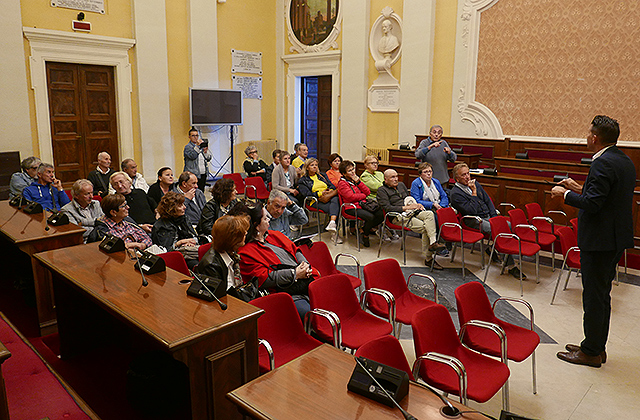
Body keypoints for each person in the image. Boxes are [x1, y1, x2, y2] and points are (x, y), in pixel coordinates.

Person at [552, 116, 635, 368]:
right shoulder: (623, 160)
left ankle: (590, 351)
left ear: (595, 138)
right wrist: (578, 187)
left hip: (599, 241)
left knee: (594, 297)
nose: (587, 137)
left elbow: (593, 204)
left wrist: (564, 194)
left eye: (589, 133)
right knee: (601, 295)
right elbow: (606, 196)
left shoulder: (602, 163)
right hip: (613, 239)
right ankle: (596, 346)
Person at [238, 202, 319, 319]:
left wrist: (305, 265)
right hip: (285, 292)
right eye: (265, 218)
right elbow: (264, 278)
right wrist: (295, 274)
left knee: (333, 300)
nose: (269, 220)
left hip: (305, 279)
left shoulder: (273, 235)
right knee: (311, 315)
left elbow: (296, 250)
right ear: (256, 225)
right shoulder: (246, 252)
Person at [449, 163, 522, 279]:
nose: (468, 177)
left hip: (487, 215)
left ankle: (494, 249)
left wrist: (494, 217)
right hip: (473, 220)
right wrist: (473, 192)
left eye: (468, 173)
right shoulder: (455, 194)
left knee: (508, 225)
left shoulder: (475, 183)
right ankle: (511, 266)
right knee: (498, 231)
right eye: (463, 175)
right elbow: (471, 211)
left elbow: (487, 201)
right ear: (457, 179)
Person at [377, 169, 444, 268]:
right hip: (397, 216)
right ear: (385, 179)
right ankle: (428, 259)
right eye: (392, 177)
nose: (396, 179)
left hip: (411, 211)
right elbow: (387, 208)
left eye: (396, 176)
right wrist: (407, 208)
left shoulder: (401, 185)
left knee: (429, 214)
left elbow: (408, 199)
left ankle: (433, 242)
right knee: (426, 228)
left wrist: (416, 205)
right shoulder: (382, 190)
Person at [336, 160, 384, 248]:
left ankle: (363, 230)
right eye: (350, 171)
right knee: (370, 217)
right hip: (350, 208)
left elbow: (368, 191)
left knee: (381, 213)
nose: (353, 172)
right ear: (344, 173)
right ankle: (365, 235)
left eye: (353, 169)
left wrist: (358, 182)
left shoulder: (355, 180)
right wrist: (363, 195)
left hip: (362, 204)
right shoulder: (342, 183)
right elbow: (351, 197)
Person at [197, 215, 250, 292]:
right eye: (241, 233)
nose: (246, 233)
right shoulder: (211, 266)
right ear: (232, 239)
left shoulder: (232, 253)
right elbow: (219, 296)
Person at [152, 192, 200, 269]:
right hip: (175, 258)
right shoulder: (162, 226)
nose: (184, 207)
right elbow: (165, 251)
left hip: (189, 252)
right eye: (180, 205)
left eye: (184, 204)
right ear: (171, 208)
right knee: (198, 265)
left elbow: (195, 236)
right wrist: (180, 243)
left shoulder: (184, 219)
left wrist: (191, 242)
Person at [298, 158, 340, 239]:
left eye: (316, 165)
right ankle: (334, 234)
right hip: (315, 200)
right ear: (307, 167)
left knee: (336, 200)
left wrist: (329, 191)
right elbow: (306, 194)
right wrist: (320, 193)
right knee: (335, 207)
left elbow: (332, 186)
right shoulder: (303, 180)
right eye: (312, 165)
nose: (315, 167)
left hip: (328, 197)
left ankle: (332, 224)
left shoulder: (322, 175)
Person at [183, 127, 212, 192]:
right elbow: (192, 156)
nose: (195, 137)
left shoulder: (200, 146)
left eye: (196, 135)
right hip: (193, 174)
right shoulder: (188, 147)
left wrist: (205, 152)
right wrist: (198, 146)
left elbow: (208, 158)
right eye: (193, 136)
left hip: (202, 173)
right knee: (193, 192)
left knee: (201, 192)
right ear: (189, 137)